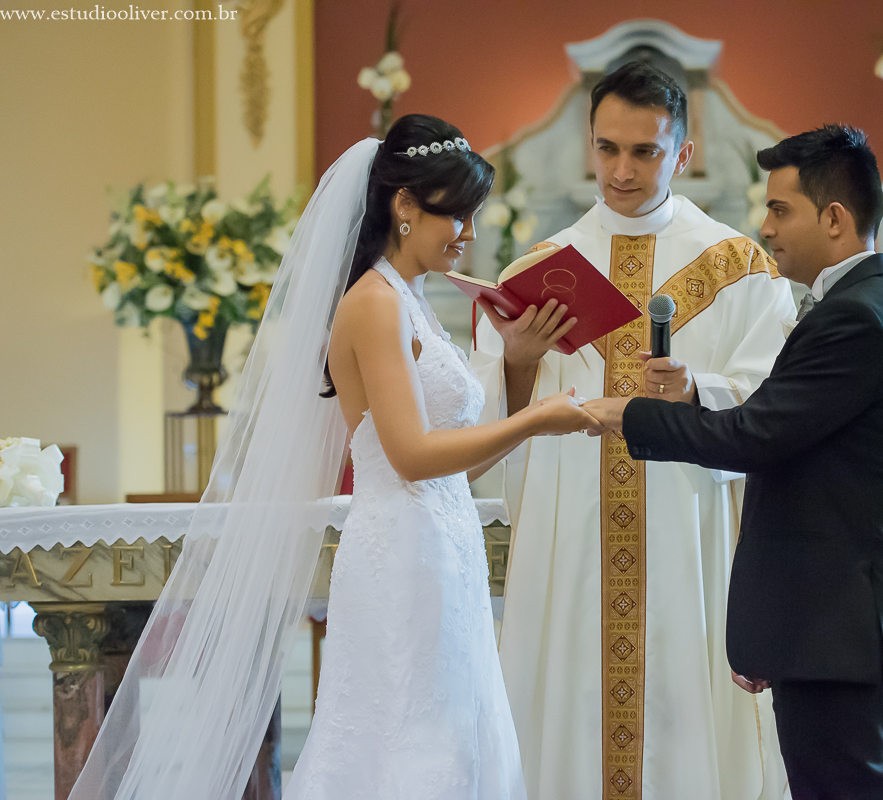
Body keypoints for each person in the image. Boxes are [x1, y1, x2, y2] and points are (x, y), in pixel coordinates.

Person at [68, 115, 596, 800]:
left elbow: (457, 469)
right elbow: (408, 457)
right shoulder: (375, 303)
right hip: (401, 555)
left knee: (451, 735)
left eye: (473, 214)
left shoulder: (412, 300)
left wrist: (520, 373)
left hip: (442, 547)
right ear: (404, 204)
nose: (468, 231)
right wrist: (535, 420)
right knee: (399, 742)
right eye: (455, 214)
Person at [471, 62, 795, 799]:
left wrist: (695, 390)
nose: (622, 170)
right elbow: (488, 428)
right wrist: (518, 363)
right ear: (589, 142)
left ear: (683, 152)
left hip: (690, 533)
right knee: (575, 702)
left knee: (687, 709)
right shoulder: (541, 270)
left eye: (645, 152)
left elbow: (774, 403)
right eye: (608, 148)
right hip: (572, 538)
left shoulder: (740, 270)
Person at [584, 125, 883, 800]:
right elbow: (788, 433)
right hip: (821, 622)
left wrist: (629, 416)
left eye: (780, 209)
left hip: (833, 620)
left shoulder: (858, 314)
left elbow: (757, 435)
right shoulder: (856, 304)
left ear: (834, 218)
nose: (765, 227)